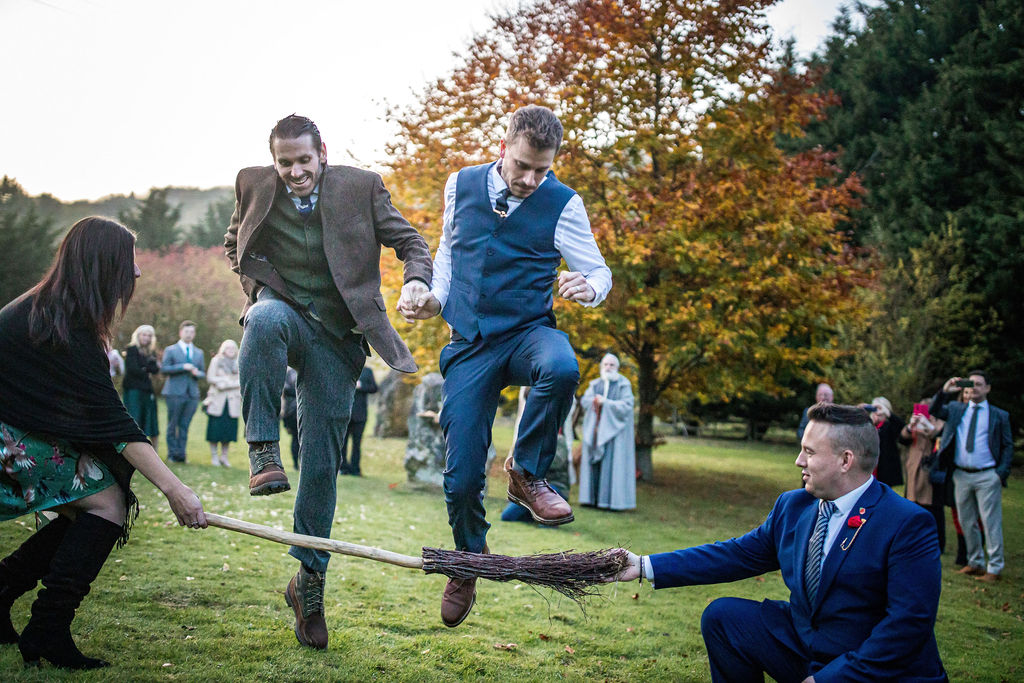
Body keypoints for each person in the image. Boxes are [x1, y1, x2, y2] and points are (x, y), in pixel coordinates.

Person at [225, 114, 431, 649]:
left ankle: (309, 584)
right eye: (284, 162)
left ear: (322, 153)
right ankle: (263, 451)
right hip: (287, 313)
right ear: (274, 161)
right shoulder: (252, 183)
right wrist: (259, 284)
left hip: (339, 339)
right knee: (262, 319)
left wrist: (414, 282)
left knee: (321, 466)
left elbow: (411, 242)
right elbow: (235, 242)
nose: (295, 172)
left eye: (303, 161)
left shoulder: (361, 187)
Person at [402, 104, 612, 628]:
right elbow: (450, 252)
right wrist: (434, 298)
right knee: (460, 476)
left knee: (562, 366)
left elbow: (597, 269)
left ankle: (527, 473)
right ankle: (469, 560)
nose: (530, 179)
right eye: (522, 166)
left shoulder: (564, 203)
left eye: (542, 170)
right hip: (471, 343)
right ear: (504, 148)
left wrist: (589, 288)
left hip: (525, 334)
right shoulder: (460, 184)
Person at [611, 403, 946, 682]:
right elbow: (734, 555)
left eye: (809, 452)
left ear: (846, 461)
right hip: (806, 645)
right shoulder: (794, 506)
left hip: (870, 668)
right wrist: (642, 565)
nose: (798, 461)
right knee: (724, 618)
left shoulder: (906, 523)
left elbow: (908, 624)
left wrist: (831, 680)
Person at [0, 217, 206, 670]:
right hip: (6, 438)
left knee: (87, 507)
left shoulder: (55, 310)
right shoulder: (64, 324)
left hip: (16, 432)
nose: (137, 272)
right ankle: (48, 628)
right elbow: (114, 424)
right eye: (129, 261)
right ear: (104, 265)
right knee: (107, 506)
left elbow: (99, 416)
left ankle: (7, 593)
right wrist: (177, 491)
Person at [931, 371, 1013, 583]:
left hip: (987, 475)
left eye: (978, 384)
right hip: (960, 474)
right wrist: (945, 391)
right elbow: (934, 410)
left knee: (990, 521)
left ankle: (994, 567)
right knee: (967, 521)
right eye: (970, 384)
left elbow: (1007, 446)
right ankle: (975, 562)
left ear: (987, 388)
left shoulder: (998, 415)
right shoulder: (957, 409)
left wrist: (1000, 473)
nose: (973, 388)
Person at [500, 387, 573, 522]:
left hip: (555, 486)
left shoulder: (556, 436)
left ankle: (545, 516)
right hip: (531, 489)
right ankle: (534, 514)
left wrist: (531, 459)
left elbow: (556, 462)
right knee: (507, 516)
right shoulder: (527, 436)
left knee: (546, 522)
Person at [578, 353, 636, 510]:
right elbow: (585, 402)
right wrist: (595, 402)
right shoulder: (595, 384)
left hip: (614, 435)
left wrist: (607, 404)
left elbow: (627, 406)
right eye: (605, 364)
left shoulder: (624, 384)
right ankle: (591, 499)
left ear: (617, 368)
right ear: (601, 366)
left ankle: (610, 502)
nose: (608, 368)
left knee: (612, 466)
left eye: (612, 365)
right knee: (593, 466)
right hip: (596, 433)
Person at [899, 399, 946, 551]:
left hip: (930, 467)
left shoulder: (939, 422)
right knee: (911, 502)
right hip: (914, 466)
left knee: (932, 505)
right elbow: (902, 439)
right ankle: (912, 538)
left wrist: (927, 425)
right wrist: (910, 425)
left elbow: (940, 438)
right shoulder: (915, 421)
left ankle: (938, 541)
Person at [160, 321, 205, 463]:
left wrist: (197, 373)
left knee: (185, 425)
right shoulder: (171, 350)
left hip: (192, 394)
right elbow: (164, 369)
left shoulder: (199, 352)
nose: (189, 334)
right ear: (181, 332)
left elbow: (203, 373)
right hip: (174, 392)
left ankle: (182, 455)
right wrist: (183, 366)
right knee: (173, 424)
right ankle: (172, 454)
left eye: (192, 332)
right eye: (187, 331)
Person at [204, 339, 241, 467]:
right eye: (228, 348)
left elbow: (241, 381)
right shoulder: (216, 361)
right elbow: (210, 377)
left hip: (232, 402)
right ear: (223, 349)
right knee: (215, 430)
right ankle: (214, 456)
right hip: (217, 401)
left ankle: (224, 457)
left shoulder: (239, 362)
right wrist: (226, 382)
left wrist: (225, 383)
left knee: (228, 431)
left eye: (233, 348)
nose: (230, 350)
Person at [122, 324, 161, 446]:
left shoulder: (150, 352)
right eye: (144, 335)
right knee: (135, 417)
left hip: (147, 390)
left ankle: (150, 449)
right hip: (133, 390)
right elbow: (133, 369)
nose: (146, 338)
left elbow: (155, 369)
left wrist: (145, 368)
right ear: (138, 335)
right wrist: (146, 369)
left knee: (149, 419)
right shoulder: (132, 349)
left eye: (149, 335)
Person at [340, 365, 378, 476]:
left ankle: (355, 469)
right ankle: (343, 468)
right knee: (342, 443)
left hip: (360, 414)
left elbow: (374, 388)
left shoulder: (367, 371)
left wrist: (361, 386)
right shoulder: (344, 367)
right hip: (344, 412)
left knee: (357, 443)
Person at [867, 396, 904, 488]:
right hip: (871, 466)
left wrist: (888, 414)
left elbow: (902, 428)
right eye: (875, 408)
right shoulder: (869, 425)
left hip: (885, 468)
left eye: (880, 408)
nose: (877, 412)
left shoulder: (890, 424)